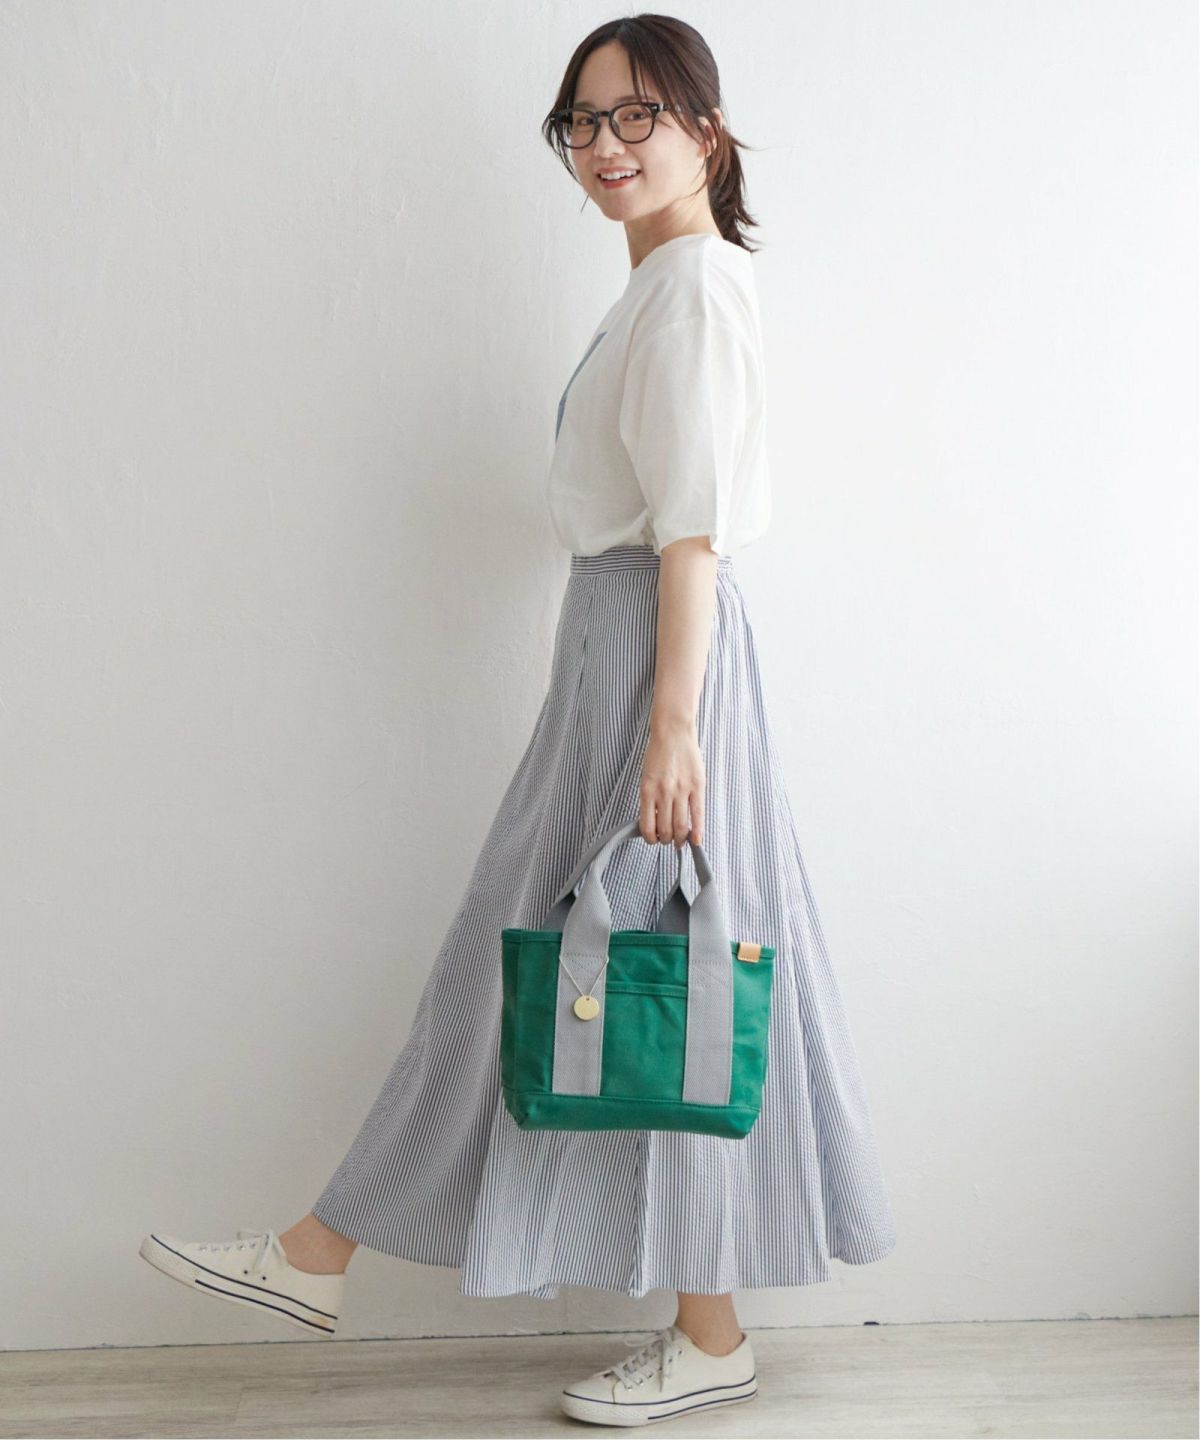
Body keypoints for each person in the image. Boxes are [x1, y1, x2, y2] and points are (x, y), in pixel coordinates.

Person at [139, 14, 897, 1429]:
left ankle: (341, 1259)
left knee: (642, 975)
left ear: (705, 132)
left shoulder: (690, 291)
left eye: (638, 116)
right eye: (584, 122)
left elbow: (691, 536)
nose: (607, 145)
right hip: (619, 651)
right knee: (611, 970)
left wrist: (670, 730)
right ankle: (368, 1262)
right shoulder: (664, 285)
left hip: (655, 659)